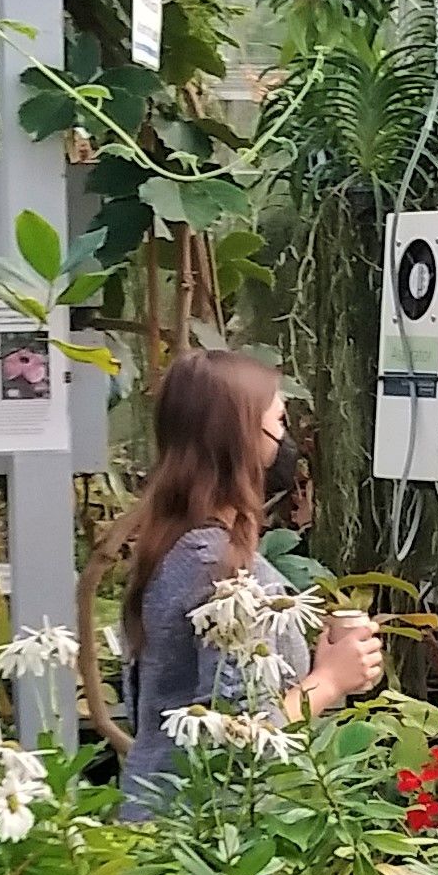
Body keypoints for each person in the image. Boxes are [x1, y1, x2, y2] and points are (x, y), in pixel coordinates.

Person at [111, 347, 384, 819]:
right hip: (199, 846)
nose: (287, 441)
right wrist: (331, 680)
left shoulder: (176, 546)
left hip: (154, 818)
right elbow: (240, 740)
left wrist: (319, 660)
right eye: (278, 423)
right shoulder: (217, 567)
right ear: (239, 440)